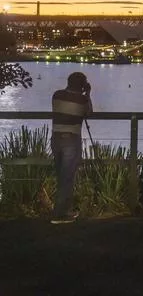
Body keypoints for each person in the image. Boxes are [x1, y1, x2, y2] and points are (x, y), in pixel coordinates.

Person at [51, 71, 93, 224]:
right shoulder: (82, 100)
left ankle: (61, 210)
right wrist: (87, 93)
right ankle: (60, 214)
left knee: (61, 176)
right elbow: (89, 112)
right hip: (71, 140)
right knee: (67, 177)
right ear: (82, 85)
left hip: (55, 138)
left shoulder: (56, 95)